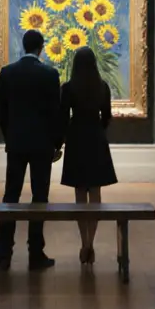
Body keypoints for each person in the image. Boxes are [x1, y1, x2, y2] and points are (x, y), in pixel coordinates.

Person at [0, 29, 63, 271]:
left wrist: (9, 137)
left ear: (24, 47)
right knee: (39, 198)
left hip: (15, 144)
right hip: (42, 146)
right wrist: (57, 143)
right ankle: (36, 253)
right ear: (41, 48)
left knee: (10, 196)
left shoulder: (7, 73)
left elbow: (1, 112)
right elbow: (56, 114)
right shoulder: (49, 74)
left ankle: (3, 254)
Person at [59, 47, 118, 265]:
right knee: (95, 193)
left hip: (76, 139)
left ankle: (83, 241)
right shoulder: (102, 87)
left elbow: (63, 117)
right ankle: (90, 243)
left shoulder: (68, 88)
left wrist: (62, 140)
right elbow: (107, 116)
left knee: (79, 194)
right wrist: (98, 129)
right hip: (96, 138)